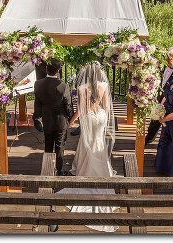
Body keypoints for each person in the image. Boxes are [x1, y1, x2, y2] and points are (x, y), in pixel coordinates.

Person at [55, 61, 118, 232]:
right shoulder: (104, 85)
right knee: (99, 141)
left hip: (89, 117)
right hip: (101, 117)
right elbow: (106, 106)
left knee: (87, 141)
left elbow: (82, 109)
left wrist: (72, 121)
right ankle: (102, 170)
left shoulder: (83, 88)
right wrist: (102, 117)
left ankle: (86, 170)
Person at [33, 58, 74, 176]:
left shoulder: (38, 84)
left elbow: (37, 103)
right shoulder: (63, 86)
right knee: (60, 147)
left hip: (47, 120)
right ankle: (58, 171)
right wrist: (71, 119)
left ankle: (48, 170)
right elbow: (68, 105)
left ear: (46, 69)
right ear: (58, 71)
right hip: (61, 121)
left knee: (48, 145)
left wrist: (37, 118)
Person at [145, 47, 173, 145]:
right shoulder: (162, 65)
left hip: (170, 100)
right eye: (166, 57)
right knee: (155, 118)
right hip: (159, 96)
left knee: (167, 123)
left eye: (170, 58)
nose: (167, 60)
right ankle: (148, 139)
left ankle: (167, 144)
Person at [32, 61, 47, 132]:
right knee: (39, 93)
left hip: (55, 67)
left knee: (54, 94)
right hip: (41, 65)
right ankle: (37, 118)